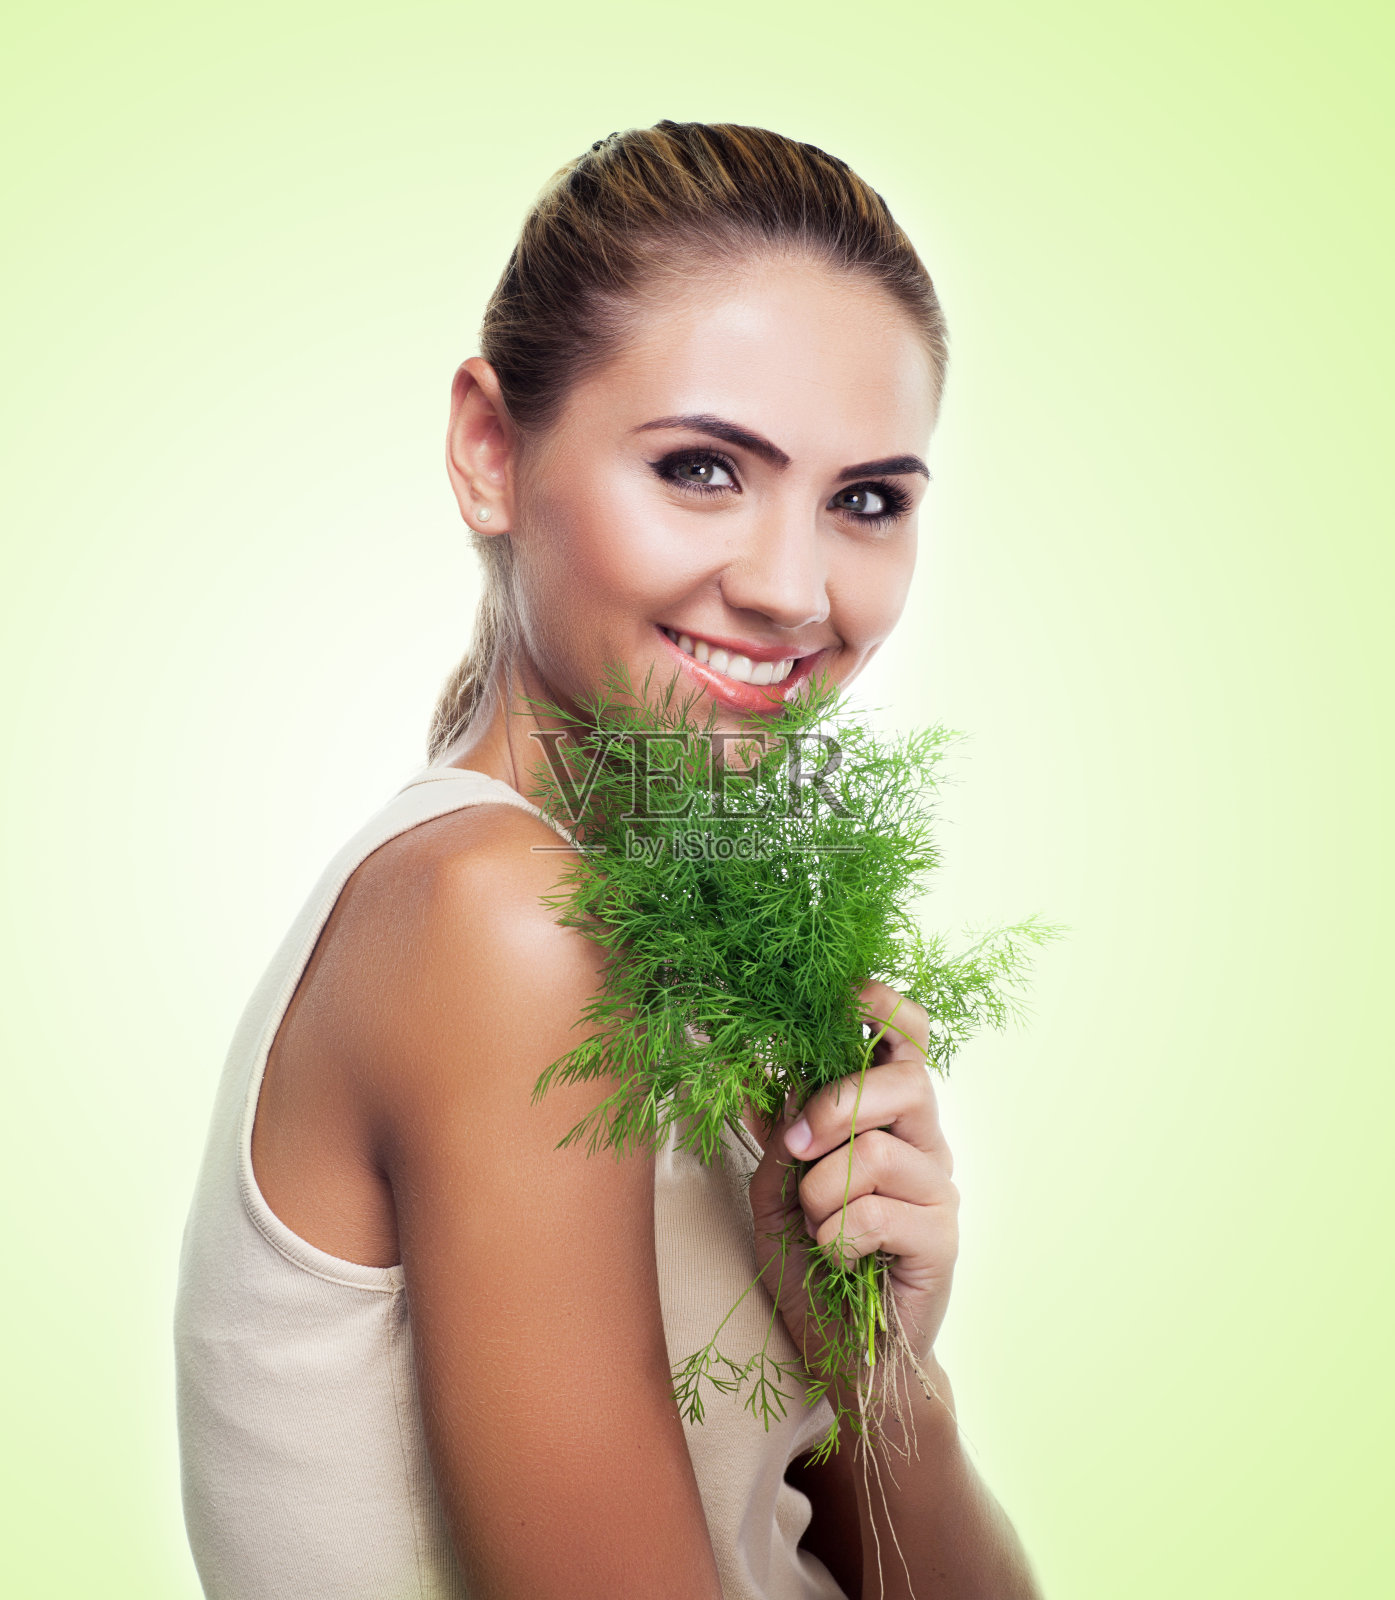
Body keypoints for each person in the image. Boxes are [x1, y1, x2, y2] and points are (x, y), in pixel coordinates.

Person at [174, 120, 1043, 1600]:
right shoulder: (501, 925)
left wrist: (879, 1373)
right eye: (704, 469)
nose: (792, 589)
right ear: (490, 450)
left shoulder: (691, 952)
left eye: (868, 500)